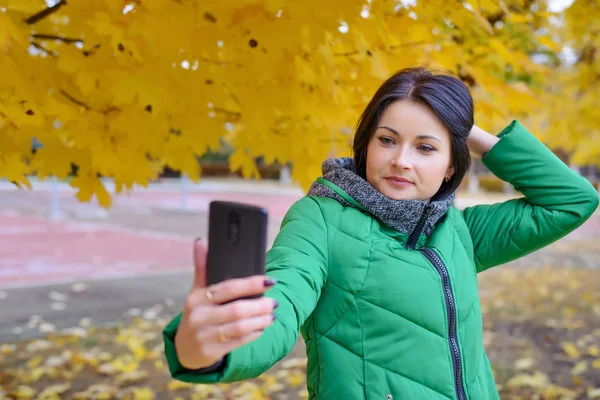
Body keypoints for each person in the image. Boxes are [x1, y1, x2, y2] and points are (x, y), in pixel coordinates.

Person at [162, 67, 599, 399]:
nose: (401, 160)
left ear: (451, 164)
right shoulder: (321, 218)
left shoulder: (459, 231)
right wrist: (209, 347)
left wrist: (467, 128)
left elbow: (572, 200)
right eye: (387, 139)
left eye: (425, 147)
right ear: (367, 142)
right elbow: (284, 300)